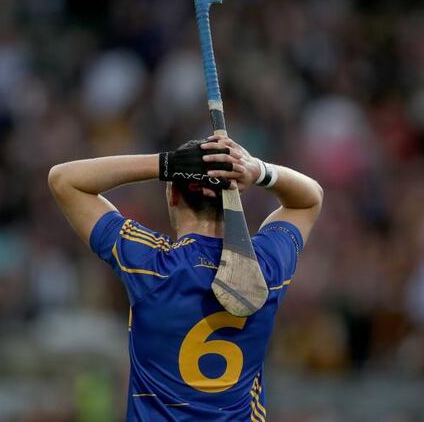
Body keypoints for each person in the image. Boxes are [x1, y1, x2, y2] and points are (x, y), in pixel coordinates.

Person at [48, 134, 323, 421]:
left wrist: (165, 163)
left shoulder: (151, 262)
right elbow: (309, 198)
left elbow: (63, 179)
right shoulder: (266, 266)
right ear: (234, 199)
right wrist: (257, 170)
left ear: (172, 194)